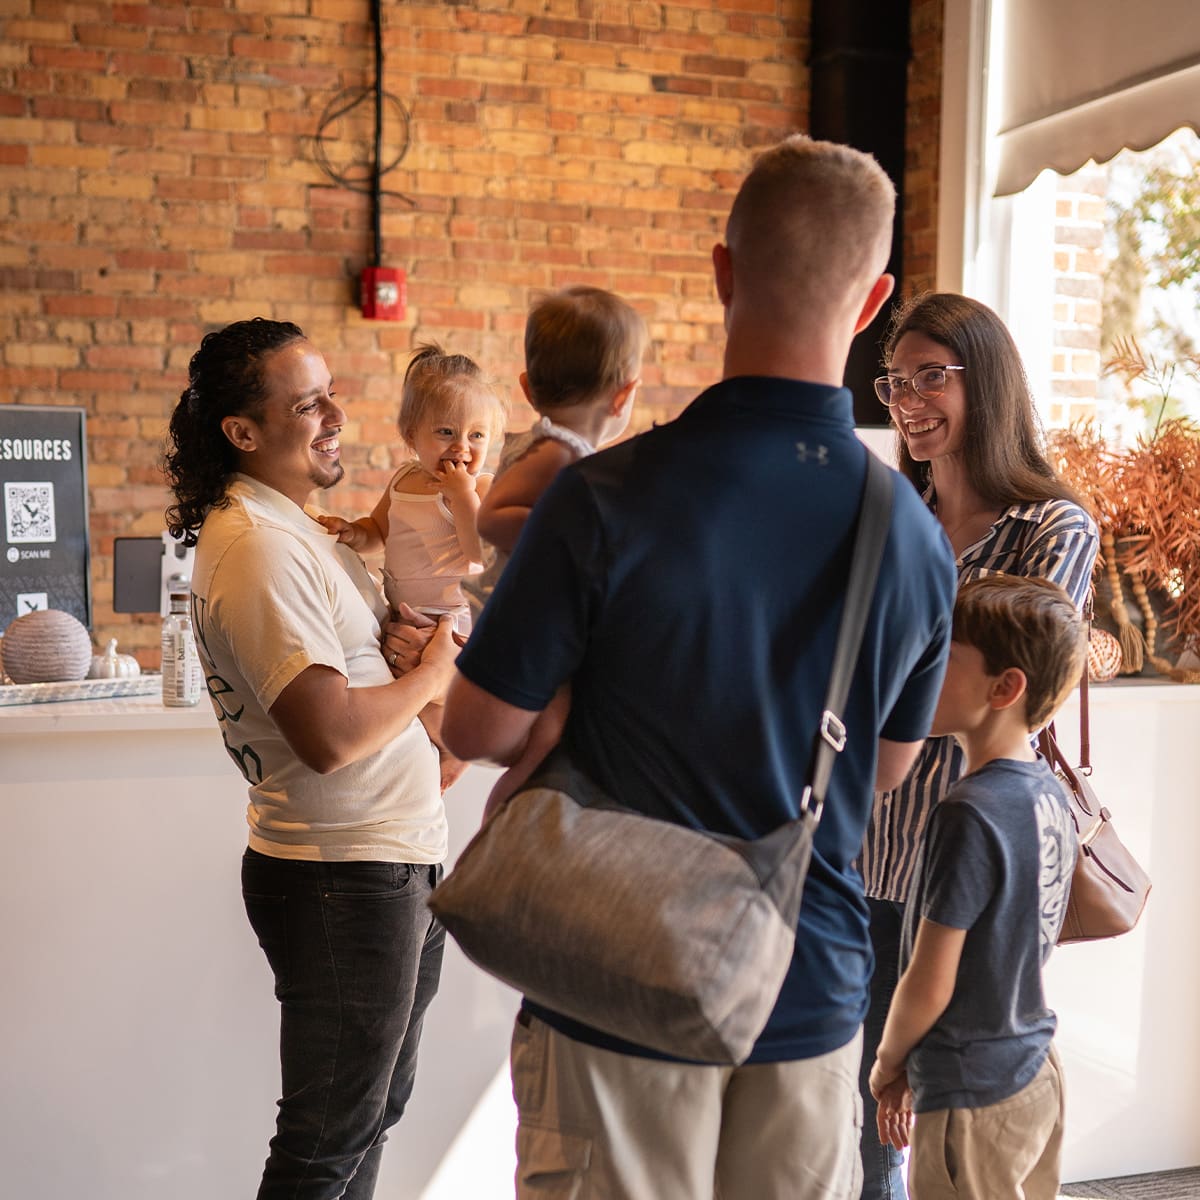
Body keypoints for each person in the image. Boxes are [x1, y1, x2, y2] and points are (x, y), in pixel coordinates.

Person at [440, 135, 959, 1200]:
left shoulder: (605, 496)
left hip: (615, 980)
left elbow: (476, 729)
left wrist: (565, 706)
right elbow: (891, 769)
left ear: (723, 272)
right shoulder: (908, 534)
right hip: (810, 990)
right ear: (873, 302)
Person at [163, 318, 460, 1200]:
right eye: (307, 403)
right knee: (325, 1144)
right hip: (346, 879)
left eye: (331, 391)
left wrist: (417, 673)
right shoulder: (256, 545)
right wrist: (437, 670)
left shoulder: (300, 529)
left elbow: (393, 710)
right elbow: (328, 735)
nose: (335, 413)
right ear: (243, 433)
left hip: (392, 862)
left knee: (367, 1118)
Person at [858, 293, 1100, 1200]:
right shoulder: (894, 519)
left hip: (971, 861)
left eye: (932, 376)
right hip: (869, 846)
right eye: (896, 380)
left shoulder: (1051, 526)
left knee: (963, 1111)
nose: (909, 399)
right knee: (869, 1103)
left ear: (985, 382)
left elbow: (1024, 683)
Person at [869, 574, 1084, 1200]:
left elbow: (929, 979)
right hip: (1036, 1071)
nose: (922, 671)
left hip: (971, 1097)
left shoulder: (966, 813)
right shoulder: (1046, 792)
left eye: (943, 657)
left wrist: (887, 1064)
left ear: (1005, 687)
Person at [471, 284, 646, 817]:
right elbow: (492, 515)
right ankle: (499, 824)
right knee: (549, 732)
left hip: (525, 608)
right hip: (511, 608)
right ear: (624, 395)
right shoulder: (558, 453)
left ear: (527, 386)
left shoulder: (561, 451)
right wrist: (574, 544)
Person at [318, 342, 506, 637]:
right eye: (446, 432)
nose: (462, 447)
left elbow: (479, 553)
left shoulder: (481, 487)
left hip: (458, 624)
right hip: (404, 618)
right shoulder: (403, 479)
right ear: (411, 434)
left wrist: (462, 496)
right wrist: (356, 533)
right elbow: (378, 530)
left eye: (477, 435)